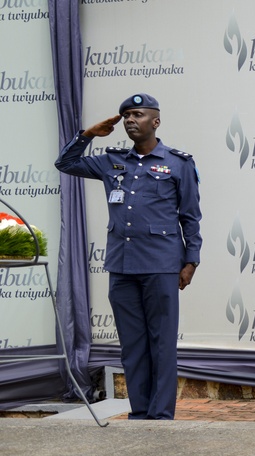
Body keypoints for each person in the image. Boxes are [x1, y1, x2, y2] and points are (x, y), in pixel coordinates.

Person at [55, 93, 202, 420]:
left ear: (156, 121)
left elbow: (190, 217)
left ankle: (160, 415)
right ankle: (140, 414)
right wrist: (89, 134)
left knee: (162, 345)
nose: (130, 120)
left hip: (162, 265)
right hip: (121, 265)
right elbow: (65, 163)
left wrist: (191, 261)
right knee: (133, 346)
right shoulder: (112, 160)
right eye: (126, 116)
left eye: (137, 114)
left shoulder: (179, 163)